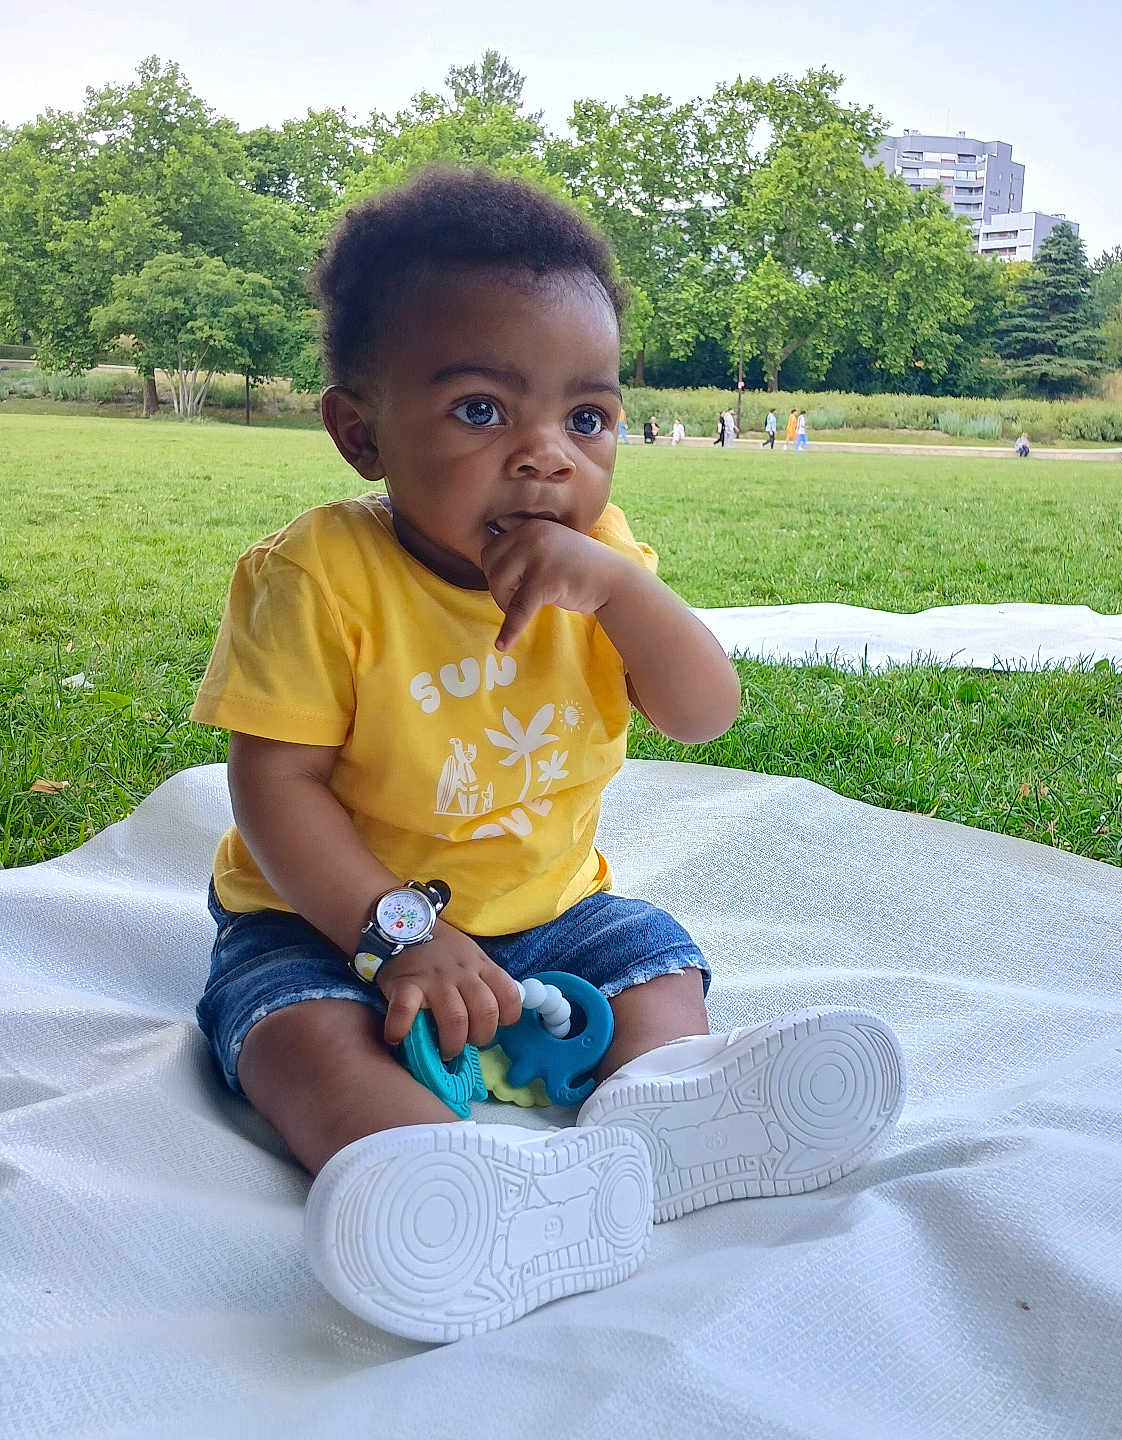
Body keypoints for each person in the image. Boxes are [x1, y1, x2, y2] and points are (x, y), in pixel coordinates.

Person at [188, 164, 904, 1344]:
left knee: (655, 966)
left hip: (548, 911)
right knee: (297, 1037)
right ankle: (435, 1184)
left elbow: (702, 712)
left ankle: (668, 1110)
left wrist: (621, 591)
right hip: (333, 922)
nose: (547, 458)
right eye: (481, 410)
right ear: (360, 431)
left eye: (588, 418)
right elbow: (277, 789)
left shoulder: (604, 554)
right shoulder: (318, 577)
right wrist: (397, 936)